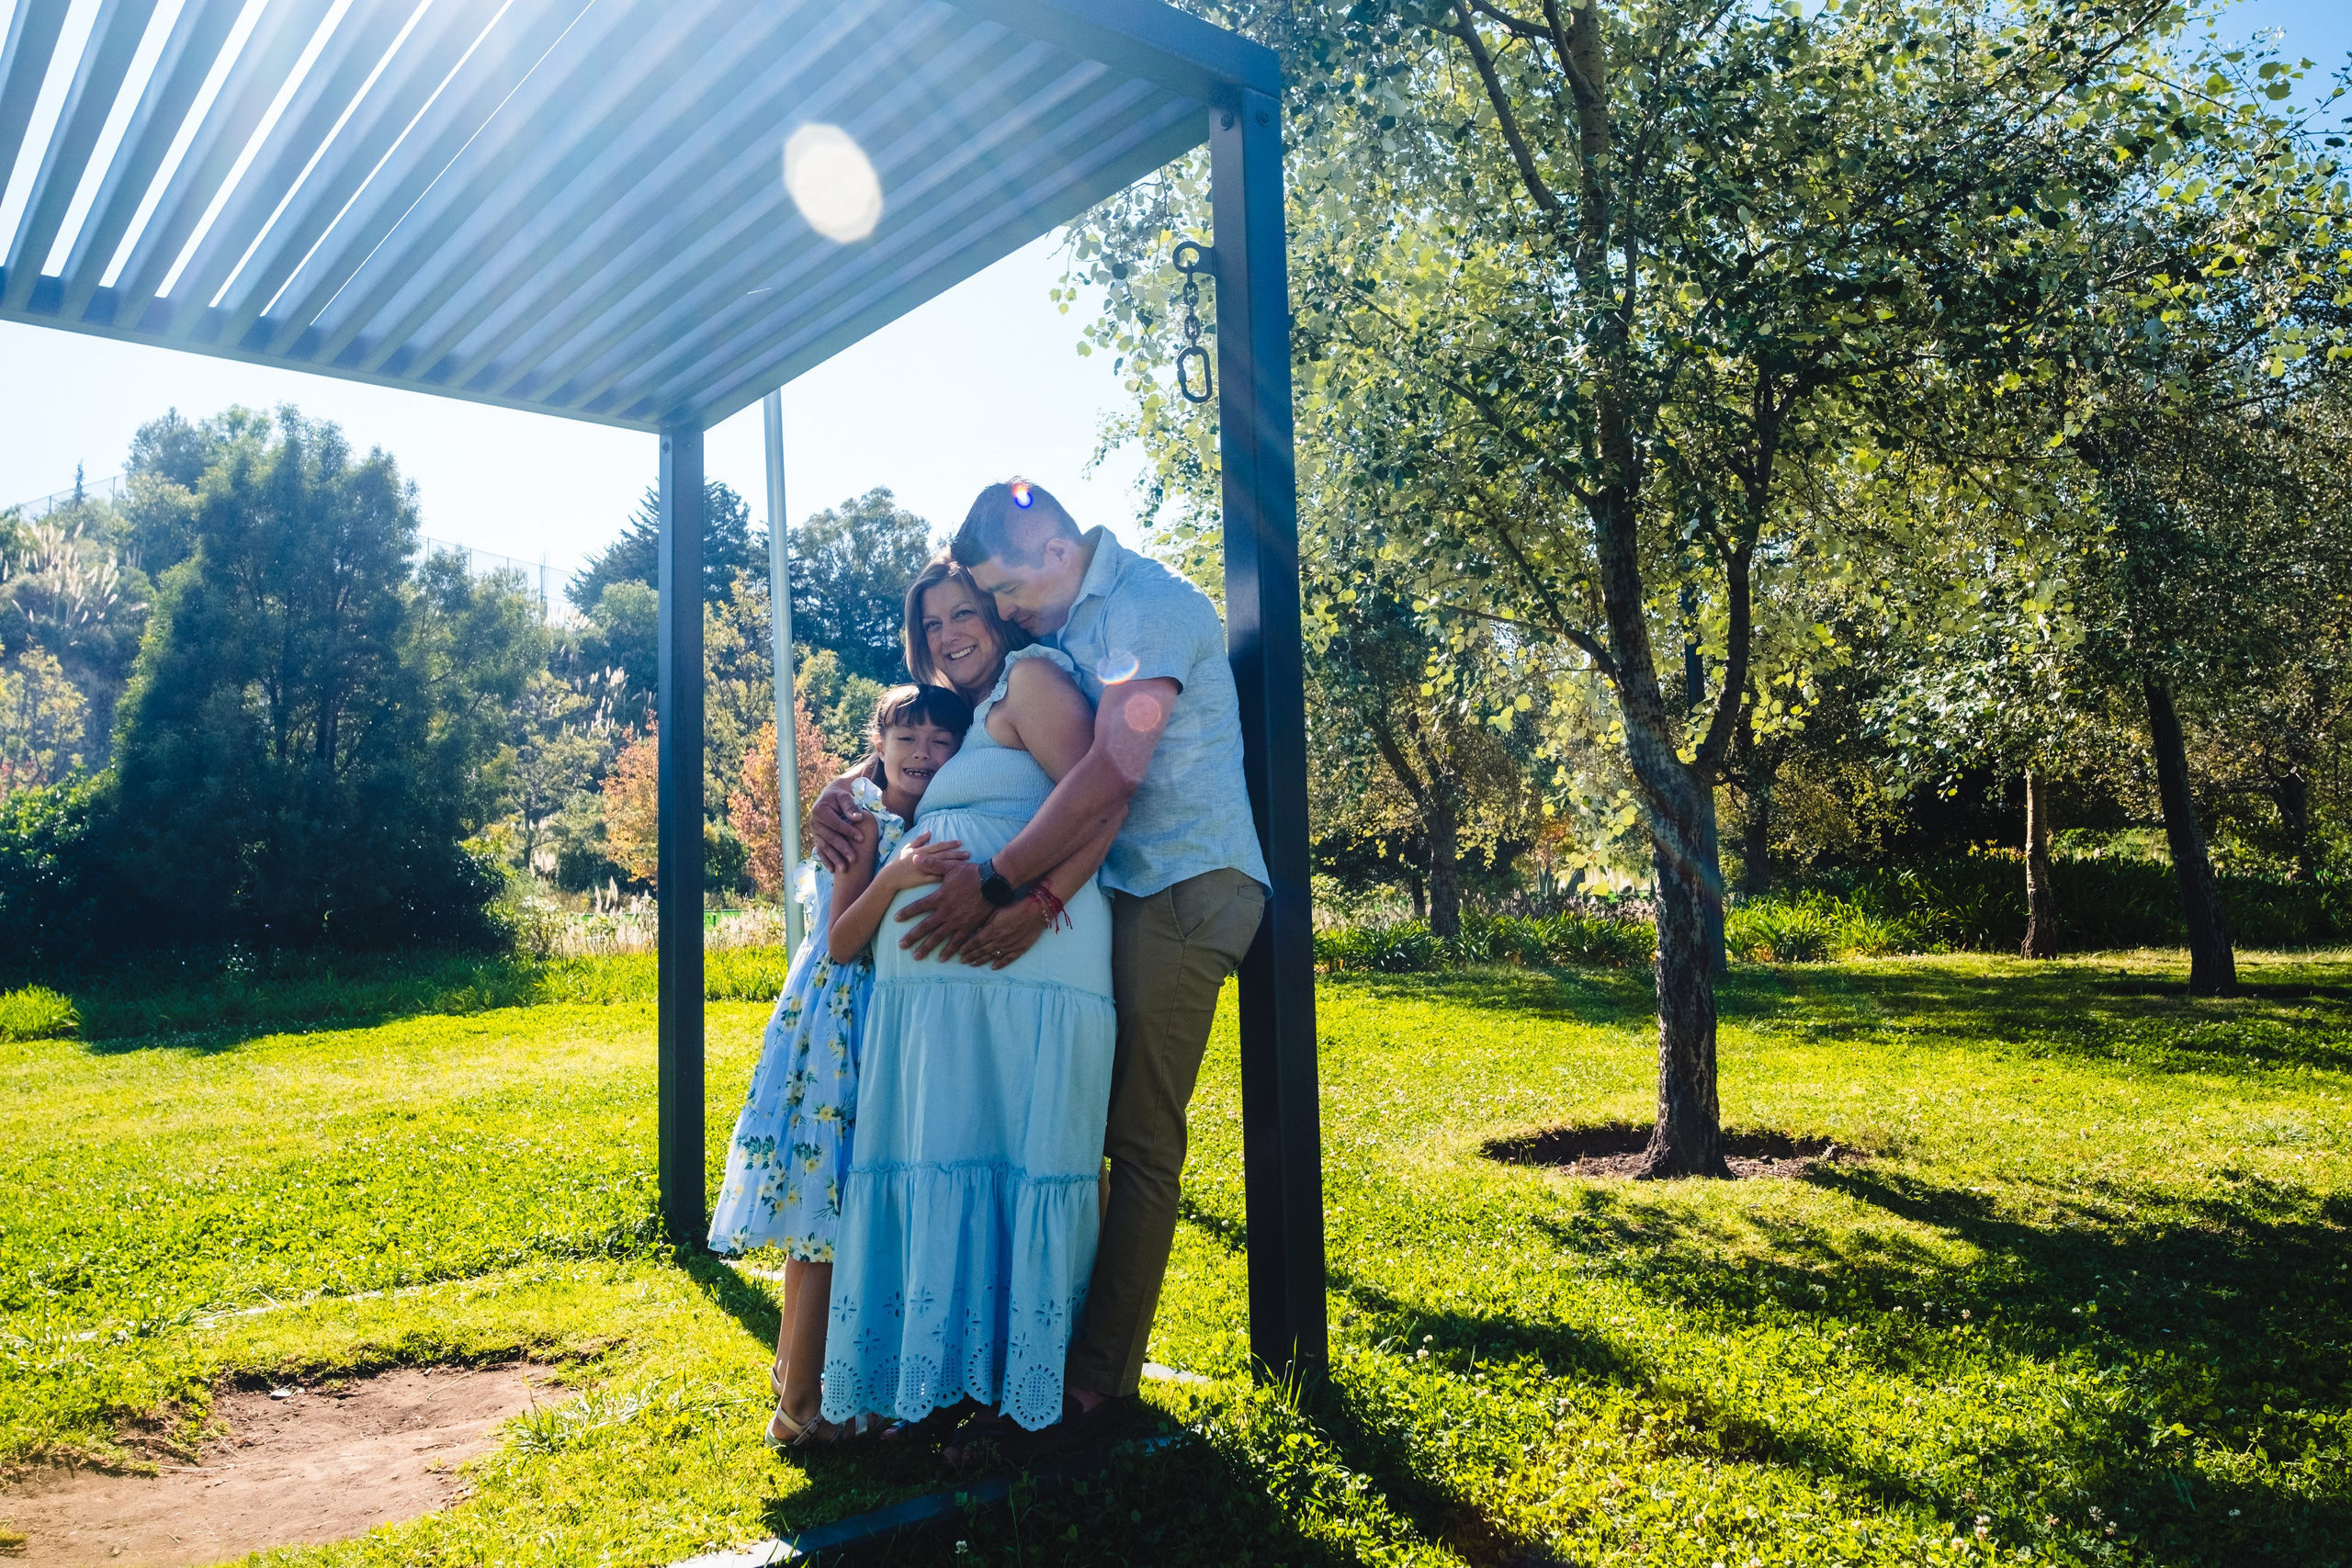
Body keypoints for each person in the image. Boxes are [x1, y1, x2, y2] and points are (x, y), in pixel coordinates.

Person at [810, 479, 1268, 1461]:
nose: (1001, 616)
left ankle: (1089, 1391)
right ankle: (1020, 1367)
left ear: (1055, 550)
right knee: (1079, 1136)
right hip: (1131, 887)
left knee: (1136, 1138)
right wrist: (839, 797)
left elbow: (1110, 773)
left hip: (1184, 881)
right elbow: (917, 762)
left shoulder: (1145, 607)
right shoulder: (1067, 634)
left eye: (998, 594)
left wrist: (1007, 887)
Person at [820, 558, 1125, 1450]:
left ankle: (1023, 1389)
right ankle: (942, 1376)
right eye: (931, 622)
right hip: (942, 992)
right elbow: (896, 769)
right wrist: (843, 791)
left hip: (1032, 960)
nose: (949, 632)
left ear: (997, 616)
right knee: (953, 1157)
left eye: (964, 614)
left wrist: (1034, 908)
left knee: (1024, 1161)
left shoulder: (1030, 679)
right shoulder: (953, 717)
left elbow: (1101, 799)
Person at [708, 683, 973, 1449]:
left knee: (836, 1213)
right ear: (878, 747)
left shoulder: (916, 814)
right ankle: (796, 1410)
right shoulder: (862, 817)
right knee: (826, 1215)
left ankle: (803, 1375)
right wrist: (893, 875)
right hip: (840, 1027)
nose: (923, 754)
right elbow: (841, 940)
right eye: (907, 739)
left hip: (881, 1023)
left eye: (940, 742)